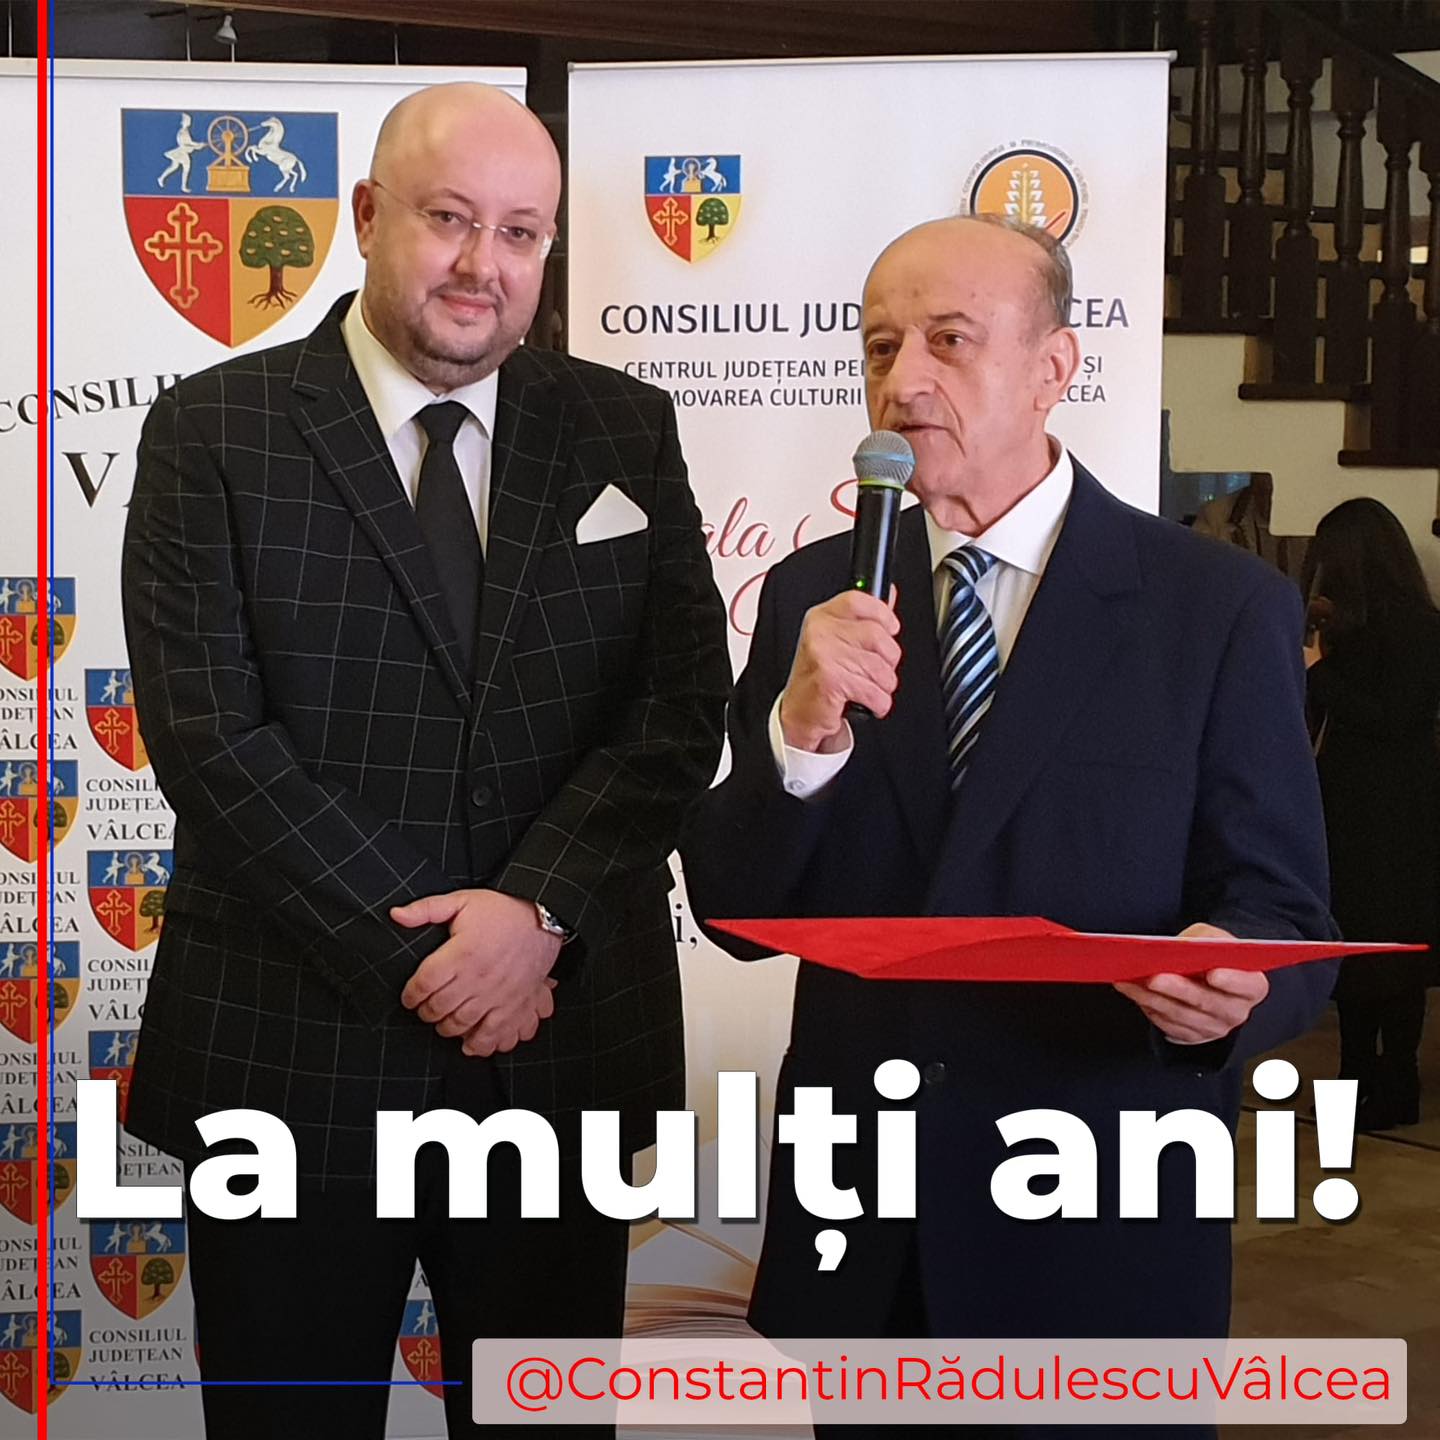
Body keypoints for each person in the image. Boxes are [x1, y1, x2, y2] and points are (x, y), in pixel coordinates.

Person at [121, 82, 729, 1439]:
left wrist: (537, 916)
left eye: (520, 233)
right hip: (290, 1053)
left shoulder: (623, 428)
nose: (481, 265)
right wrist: (440, 958)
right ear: (365, 216)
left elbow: (681, 708)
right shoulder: (213, 431)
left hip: (557, 1055)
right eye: (450, 219)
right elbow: (211, 739)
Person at [682, 215, 1335, 1435]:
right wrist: (800, 737)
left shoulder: (1216, 609)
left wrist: (1234, 983)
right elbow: (734, 910)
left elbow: (1286, 915)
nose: (903, 380)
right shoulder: (814, 597)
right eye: (881, 346)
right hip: (867, 1238)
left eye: (949, 340)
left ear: (1054, 367)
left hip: (1096, 1229)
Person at [1302, 497, 1440, 1130]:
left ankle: (1392, 1080)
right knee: (1361, 944)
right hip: (1364, 803)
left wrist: (1319, 672)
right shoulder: (1359, 627)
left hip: (1393, 805)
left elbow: (1394, 716)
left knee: (1391, 948)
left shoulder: (1420, 630)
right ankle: (1361, 1075)